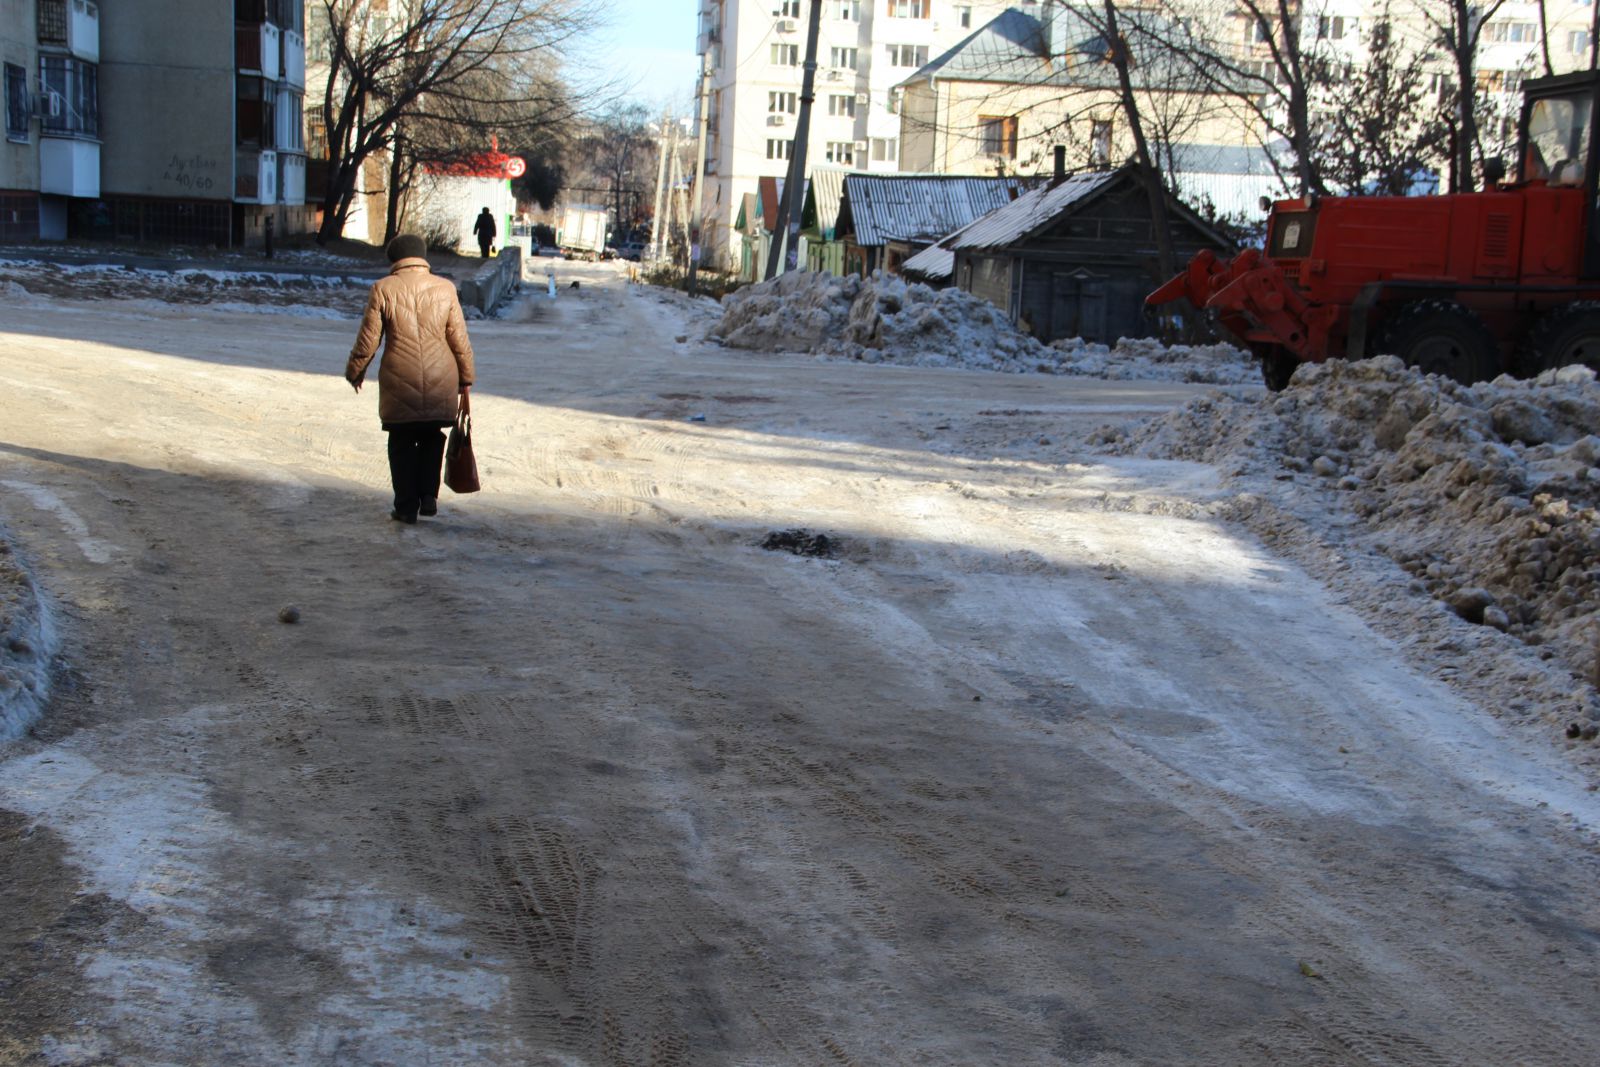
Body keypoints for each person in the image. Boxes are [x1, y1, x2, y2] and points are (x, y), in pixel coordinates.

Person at [345, 233, 475, 524]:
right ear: (422, 256)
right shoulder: (445, 288)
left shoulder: (383, 289)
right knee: (431, 435)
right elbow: (459, 339)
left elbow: (369, 339)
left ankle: (405, 507)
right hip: (440, 375)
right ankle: (428, 495)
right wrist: (466, 377)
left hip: (399, 377)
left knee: (401, 440)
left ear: (394, 259)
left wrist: (355, 370)